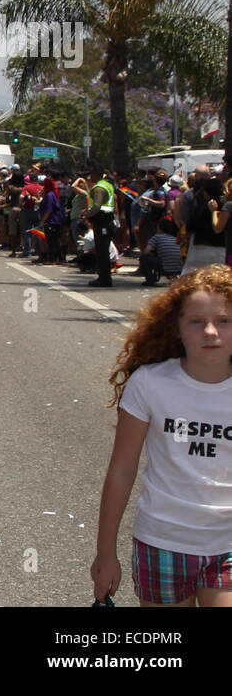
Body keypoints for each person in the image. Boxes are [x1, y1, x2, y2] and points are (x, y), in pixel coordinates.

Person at [91, 265, 232, 607]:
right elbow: (122, 470)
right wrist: (105, 553)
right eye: (195, 321)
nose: (210, 331)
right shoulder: (150, 383)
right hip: (161, 542)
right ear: (177, 328)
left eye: (224, 320)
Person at [85, 167, 117, 287]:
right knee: (103, 250)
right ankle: (104, 277)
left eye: (91, 174)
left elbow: (97, 205)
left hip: (102, 222)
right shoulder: (108, 185)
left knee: (102, 252)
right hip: (107, 221)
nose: (89, 177)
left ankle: (104, 279)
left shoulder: (99, 187)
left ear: (96, 174)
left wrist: (87, 214)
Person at [140, 216, 184, 286]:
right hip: (179, 268)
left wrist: (154, 253)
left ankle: (150, 279)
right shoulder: (176, 238)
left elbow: (146, 251)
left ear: (160, 228)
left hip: (165, 268)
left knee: (144, 257)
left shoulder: (157, 237)